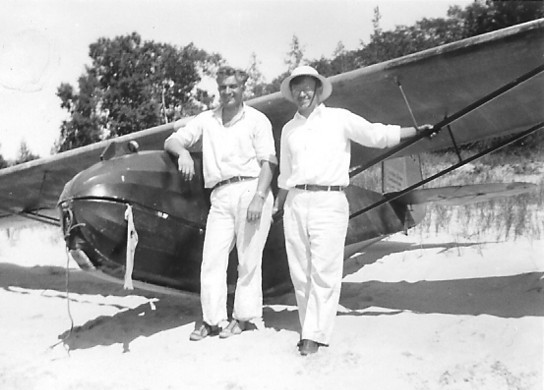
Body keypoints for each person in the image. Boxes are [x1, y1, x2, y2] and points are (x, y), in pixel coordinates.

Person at [273, 66, 433, 356]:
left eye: (308, 87)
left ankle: (314, 334)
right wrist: (278, 204)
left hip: (330, 200)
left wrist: (413, 132)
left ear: (318, 90)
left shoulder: (339, 118)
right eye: (297, 88)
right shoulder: (288, 129)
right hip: (296, 202)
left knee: (325, 269)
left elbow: (375, 134)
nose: (302, 93)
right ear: (292, 93)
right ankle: (308, 324)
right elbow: (285, 174)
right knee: (299, 271)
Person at [164, 66, 277, 341]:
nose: (227, 92)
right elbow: (172, 139)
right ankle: (212, 320)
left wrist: (259, 197)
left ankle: (243, 318)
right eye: (223, 87)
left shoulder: (257, 120)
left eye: (233, 87)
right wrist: (184, 155)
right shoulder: (206, 119)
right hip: (220, 193)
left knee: (249, 259)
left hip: (251, 188)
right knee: (212, 260)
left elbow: (269, 162)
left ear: (242, 89)